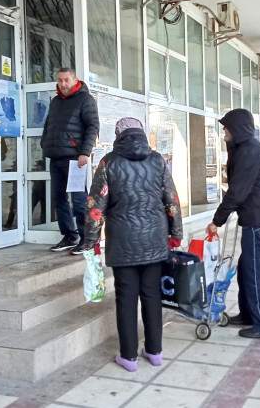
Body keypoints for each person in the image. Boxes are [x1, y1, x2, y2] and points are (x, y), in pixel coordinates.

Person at [82, 117, 183, 372]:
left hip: (122, 241)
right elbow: (172, 199)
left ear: (118, 135)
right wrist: (176, 233)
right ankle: (155, 351)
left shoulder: (108, 162)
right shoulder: (157, 160)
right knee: (152, 295)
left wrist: (91, 241)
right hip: (154, 239)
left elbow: (96, 207)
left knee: (126, 298)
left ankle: (128, 357)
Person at [206, 108, 260, 339]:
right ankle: (248, 314)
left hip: (259, 219)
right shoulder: (244, 149)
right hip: (257, 217)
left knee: (255, 272)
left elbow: (237, 192)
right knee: (246, 269)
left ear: (236, 129)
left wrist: (217, 221)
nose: (224, 133)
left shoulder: (249, 151)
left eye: (226, 129)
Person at [40, 68, 99, 254]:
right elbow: (48, 125)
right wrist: (44, 143)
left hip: (75, 158)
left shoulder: (85, 99)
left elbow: (93, 126)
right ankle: (69, 236)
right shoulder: (56, 101)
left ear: (75, 80)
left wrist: (85, 152)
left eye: (66, 80)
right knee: (59, 199)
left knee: (79, 199)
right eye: (60, 80)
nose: (63, 84)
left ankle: (86, 239)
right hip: (56, 156)